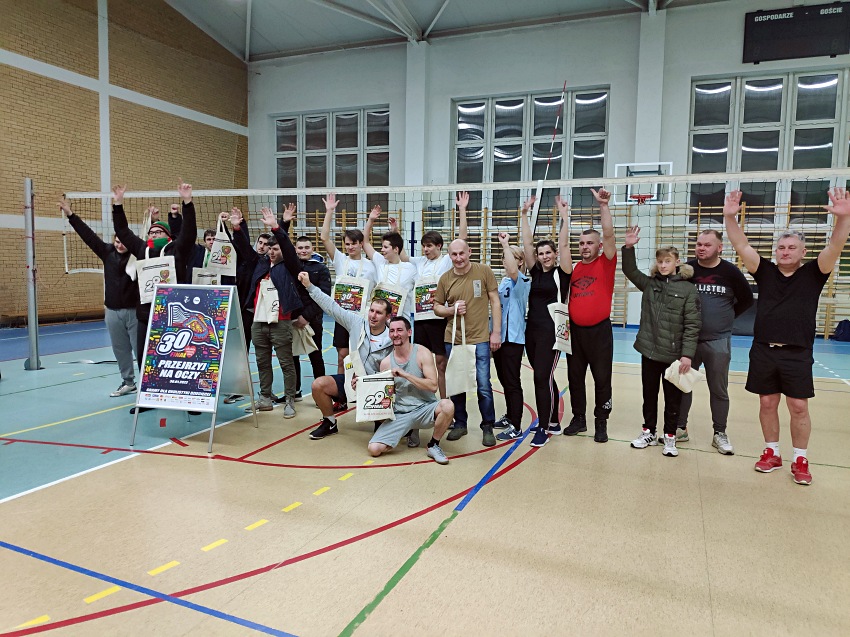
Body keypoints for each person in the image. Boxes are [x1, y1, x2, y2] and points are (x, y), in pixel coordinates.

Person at [723, 188, 850, 485]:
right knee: (767, 403)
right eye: (781, 247)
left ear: (803, 252)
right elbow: (741, 244)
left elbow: (835, 245)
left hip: (797, 351)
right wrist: (730, 217)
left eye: (792, 247)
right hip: (764, 349)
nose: (785, 251)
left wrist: (844, 218)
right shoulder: (765, 271)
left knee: (798, 406)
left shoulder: (815, 273)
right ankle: (772, 452)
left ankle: (800, 458)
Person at [112, 182, 197, 414]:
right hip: (146, 313)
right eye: (151, 232)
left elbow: (189, 231)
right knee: (145, 357)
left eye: (158, 232)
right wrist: (118, 204)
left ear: (168, 235)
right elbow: (123, 231)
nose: (154, 234)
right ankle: (149, 398)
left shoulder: (176, 249)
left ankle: (189, 399)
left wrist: (187, 202)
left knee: (180, 357)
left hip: (174, 314)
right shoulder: (142, 249)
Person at [622, 227, 701, 458]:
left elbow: (693, 324)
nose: (663, 265)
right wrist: (629, 247)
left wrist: (687, 355)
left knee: (673, 399)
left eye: (667, 261)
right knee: (649, 395)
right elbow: (629, 270)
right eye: (660, 261)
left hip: (673, 356)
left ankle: (670, 436)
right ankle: (648, 431)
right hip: (649, 351)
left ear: (677, 262)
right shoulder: (650, 284)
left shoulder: (688, 289)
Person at [677, 229, 753, 454]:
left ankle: (719, 433)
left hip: (718, 340)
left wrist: (726, 318)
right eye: (698, 244)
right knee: (682, 386)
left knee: (718, 390)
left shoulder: (730, 272)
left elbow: (747, 300)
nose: (701, 248)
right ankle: (680, 428)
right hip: (689, 341)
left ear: (720, 247)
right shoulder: (687, 270)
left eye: (707, 245)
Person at [297, 271, 394, 441]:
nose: (373, 316)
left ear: (388, 316)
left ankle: (385, 421)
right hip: (353, 382)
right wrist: (310, 287)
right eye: (371, 311)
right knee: (318, 385)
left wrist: (369, 381)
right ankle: (330, 422)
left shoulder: (393, 337)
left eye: (378, 313)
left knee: (383, 428)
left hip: (377, 386)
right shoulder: (357, 323)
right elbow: (331, 307)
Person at [59, 197, 139, 398]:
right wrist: (70, 215)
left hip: (134, 312)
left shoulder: (138, 256)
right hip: (112, 311)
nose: (119, 245)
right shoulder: (107, 252)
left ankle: (149, 384)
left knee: (141, 350)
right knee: (120, 350)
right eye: (117, 241)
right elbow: (88, 235)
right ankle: (128, 382)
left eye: (123, 242)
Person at [230, 206, 303, 418]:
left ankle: (290, 400)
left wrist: (277, 226)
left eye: (276, 248)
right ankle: (265, 398)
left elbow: (287, 247)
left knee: (286, 363)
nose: (271, 251)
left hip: (281, 321)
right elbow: (244, 248)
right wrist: (237, 228)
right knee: (262, 362)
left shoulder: (289, 266)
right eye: (269, 248)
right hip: (258, 321)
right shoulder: (260, 264)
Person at [399, 192, 469, 399]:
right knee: (420, 361)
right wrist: (395, 232)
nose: (425, 249)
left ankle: (445, 401)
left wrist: (462, 209)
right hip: (420, 319)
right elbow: (402, 256)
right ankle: (423, 401)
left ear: (439, 246)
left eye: (429, 246)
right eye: (423, 246)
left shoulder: (446, 261)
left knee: (441, 362)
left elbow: (462, 238)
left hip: (438, 319)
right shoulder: (419, 262)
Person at [433, 240, 501, 447]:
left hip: (480, 339)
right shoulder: (445, 279)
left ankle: (487, 425)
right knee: (457, 383)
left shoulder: (484, 271)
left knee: (483, 384)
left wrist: (496, 332)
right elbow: (437, 307)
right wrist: (451, 310)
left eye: (462, 253)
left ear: (469, 252)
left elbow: (495, 301)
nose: (458, 258)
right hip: (453, 339)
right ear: (449, 256)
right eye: (454, 254)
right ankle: (460, 423)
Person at [563, 188, 617, 443]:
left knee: (602, 379)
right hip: (575, 333)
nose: (585, 247)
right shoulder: (574, 268)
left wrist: (603, 206)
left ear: (599, 246)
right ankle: (579, 418)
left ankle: (601, 422)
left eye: (589, 243)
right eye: (582, 243)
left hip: (600, 333)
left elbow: (609, 233)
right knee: (575, 378)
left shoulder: (606, 262)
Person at [519, 196, 572, 447]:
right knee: (544, 377)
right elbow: (527, 243)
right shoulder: (536, 271)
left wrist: (564, 217)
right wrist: (524, 214)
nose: (544, 256)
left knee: (541, 378)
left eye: (548, 252)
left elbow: (564, 245)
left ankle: (543, 427)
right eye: (541, 254)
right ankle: (553, 421)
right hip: (532, 330)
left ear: (554, 254)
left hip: (552, 331)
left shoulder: (563, 272)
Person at [319, 193, 379, 413]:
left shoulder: (372, 265)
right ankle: (342, 396)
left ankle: (365, 395)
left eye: (354, 243)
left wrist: (370, 221)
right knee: (342, 355)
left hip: (362, 319)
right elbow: (324, 238)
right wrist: (329, 211)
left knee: (363, 357)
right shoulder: (340, 260)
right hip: (342, 316)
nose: (350, 247)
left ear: (361, 244)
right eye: (347, 244)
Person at [367, 316, 454, 464]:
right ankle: (409, 429)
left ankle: (433, 445)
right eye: (392, 331)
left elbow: (433, 386)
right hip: (401, 413)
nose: (395, 334)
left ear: (409, 332)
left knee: (448, 406)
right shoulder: (386, 363)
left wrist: (405, 375)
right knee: (374, 449)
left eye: (399, 330)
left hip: (425, 408)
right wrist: (360, 386)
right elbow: (383, 396)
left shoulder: (422, 353)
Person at [493, 233, 530, 441]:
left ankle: (516, 426)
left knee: (513, 382)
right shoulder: (504, 282)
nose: (506, 262)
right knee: (504, 380)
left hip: (514, 340)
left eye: (511, 258)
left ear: (520, 261)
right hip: (500, 339)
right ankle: (509, 416)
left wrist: (505, 244)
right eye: (504, 258)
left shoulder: (522, 281)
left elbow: (514, 270)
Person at [289, 232, 331, 401]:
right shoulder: (290, 266)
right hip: (292, 318)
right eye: (300, 248)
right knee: (292, 356)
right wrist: (294, 315)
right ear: (295, 249)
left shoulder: (321, 268)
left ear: (312, 249)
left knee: (316, 355)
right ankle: (295, 391)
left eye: (307, 247)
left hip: (312, 319)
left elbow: (324, 296)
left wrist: (306, 317)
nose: (303, 250)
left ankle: (322, 394)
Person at [362, 206, 417, 317]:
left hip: (401, 321)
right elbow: (365, 242)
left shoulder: (410, 268)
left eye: (385, 247)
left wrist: (395, 233)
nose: (382, 250)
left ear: (396, 249)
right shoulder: (380, 262)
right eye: (382, 246)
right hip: (381, 321)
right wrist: (370, 220)